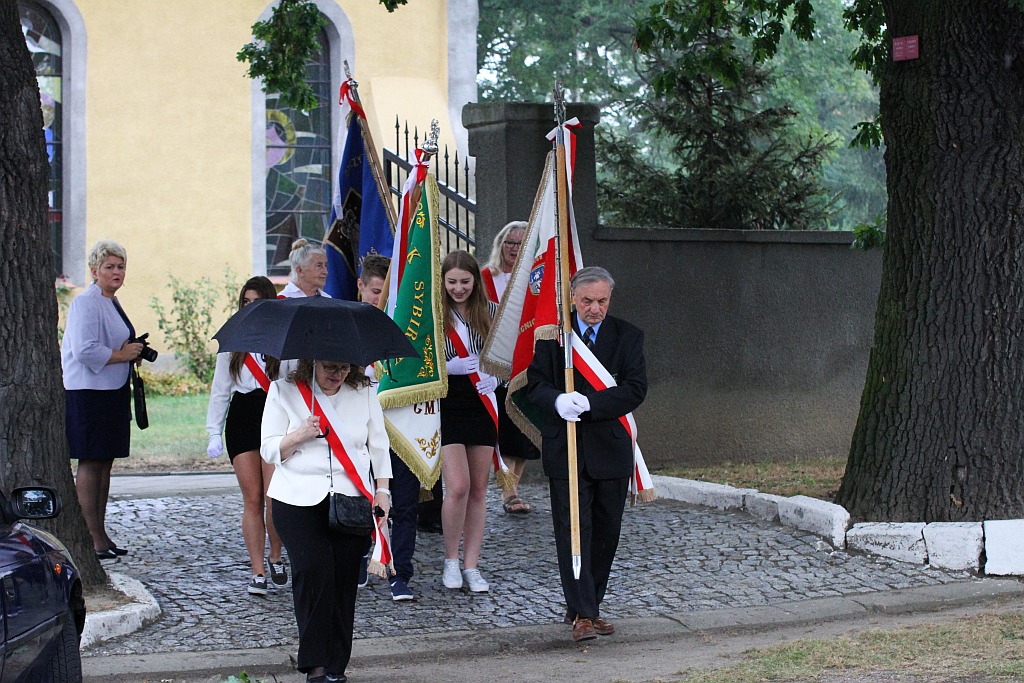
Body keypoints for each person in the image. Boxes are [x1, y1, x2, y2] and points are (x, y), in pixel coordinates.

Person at [525, 266, 648, 643]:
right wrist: (559, 400)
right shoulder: (553, 337)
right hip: (567, 447)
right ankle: (583, 612)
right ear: (573, 299)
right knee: (572, 530)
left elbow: (635, 388)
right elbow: (535, 384)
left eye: (602, 301)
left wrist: (590, 404)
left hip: (610, 448)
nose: (595, 309)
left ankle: (588, 604)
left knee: (606, 532)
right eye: (587, 302)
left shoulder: (627, 335)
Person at [261, 359, 392, 683]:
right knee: (313, 571)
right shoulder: (283, 391)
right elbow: (268, 448)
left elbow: (379, 446)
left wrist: (383, 491)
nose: (338, 374)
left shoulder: (364, 393)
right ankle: (315, 665)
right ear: (313, 362)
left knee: (344, 582)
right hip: (296, 499)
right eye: (331, 367)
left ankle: (336, 666)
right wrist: (299, 435)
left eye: (346, 368)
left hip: (351, 500)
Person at [61, 239, 144, 559]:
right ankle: (90, 534)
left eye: (121, 266)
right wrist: (121, 354)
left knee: (105, 462)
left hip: (111, 390)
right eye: (109, 267)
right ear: (94, 270)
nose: (116, 272)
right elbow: (84, 349)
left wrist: (130, 355)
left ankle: (102, 532)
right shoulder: (86, 302)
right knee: (91, 461)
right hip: (89, 391)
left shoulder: (111, 301)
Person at [206, 276, 285, 596]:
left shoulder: (280, 338)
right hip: (241, 418)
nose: (250, 307)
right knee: (252, 499)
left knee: (273, 498)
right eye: (245, 302)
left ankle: (277, 556)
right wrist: (213, 431)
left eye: (256, 302)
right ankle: (257, 570)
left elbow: (291, 383)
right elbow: (220, 389)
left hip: (273, 416)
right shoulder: (233, 339)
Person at [357, 254, 419, 601]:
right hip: (362, 432)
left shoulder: (406, 325)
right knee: (363, 500)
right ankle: (363, 558)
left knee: (406, 503)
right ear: (361, 287)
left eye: (387, 294)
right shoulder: (349, 326)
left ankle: (401, 571)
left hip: (401, 427)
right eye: (375, 292)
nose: (380, 301)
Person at [439, 250, 499, 593]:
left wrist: (497, 379)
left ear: (475, 280)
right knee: (458, 485)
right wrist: (450, 368)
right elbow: (423, 362)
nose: (458, 288)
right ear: (442, 282)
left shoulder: (490, 312)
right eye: (451, 282)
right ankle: (450, 558)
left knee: (478, 489)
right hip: (447, 401)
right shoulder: (433, 314)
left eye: (464, 281)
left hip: (481, 401)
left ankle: (471, 565)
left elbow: (505, 357)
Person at [483, 221, 539, 514]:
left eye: (521, 243)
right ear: (500, 245)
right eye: (510, 243)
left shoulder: (535, 279)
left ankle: (511, 488)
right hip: (495, 364)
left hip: (526, 362)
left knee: (523, 431)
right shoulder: (484, 277)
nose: (514, 249)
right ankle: (510, 492)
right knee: (504, 429)